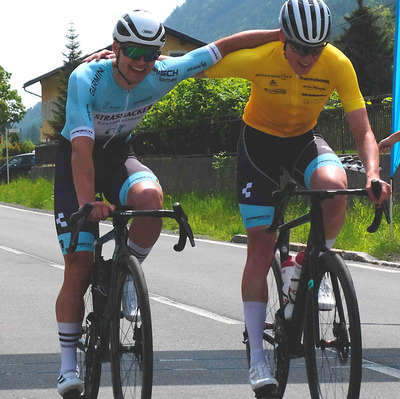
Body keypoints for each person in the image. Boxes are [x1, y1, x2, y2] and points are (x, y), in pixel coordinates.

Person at [53, 9, 280, 398]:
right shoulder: (86, 79)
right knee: (79, 263)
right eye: (133, 52)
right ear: (116, 48)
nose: (141, 62)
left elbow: (222, 47)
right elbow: (81, 148)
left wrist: (282, 34)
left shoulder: (163, 72)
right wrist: (89, 202)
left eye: (150, 54)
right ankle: (67, 365)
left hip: (119, 155)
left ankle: (126, 274)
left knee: (150, 201)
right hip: (78, 159)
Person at [199, 0, 391, 394]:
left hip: (304, 140)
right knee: (260, 247)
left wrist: (373, 174)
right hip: (259, 148)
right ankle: (257, 358)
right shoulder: (260, 56)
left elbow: (364, 131)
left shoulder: (336, 63)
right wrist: (145, 60)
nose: (307, 57)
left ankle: (308, 265)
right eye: (299, 48)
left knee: (335, 188)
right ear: (284, 38)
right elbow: (199, 63)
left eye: (315, 49)